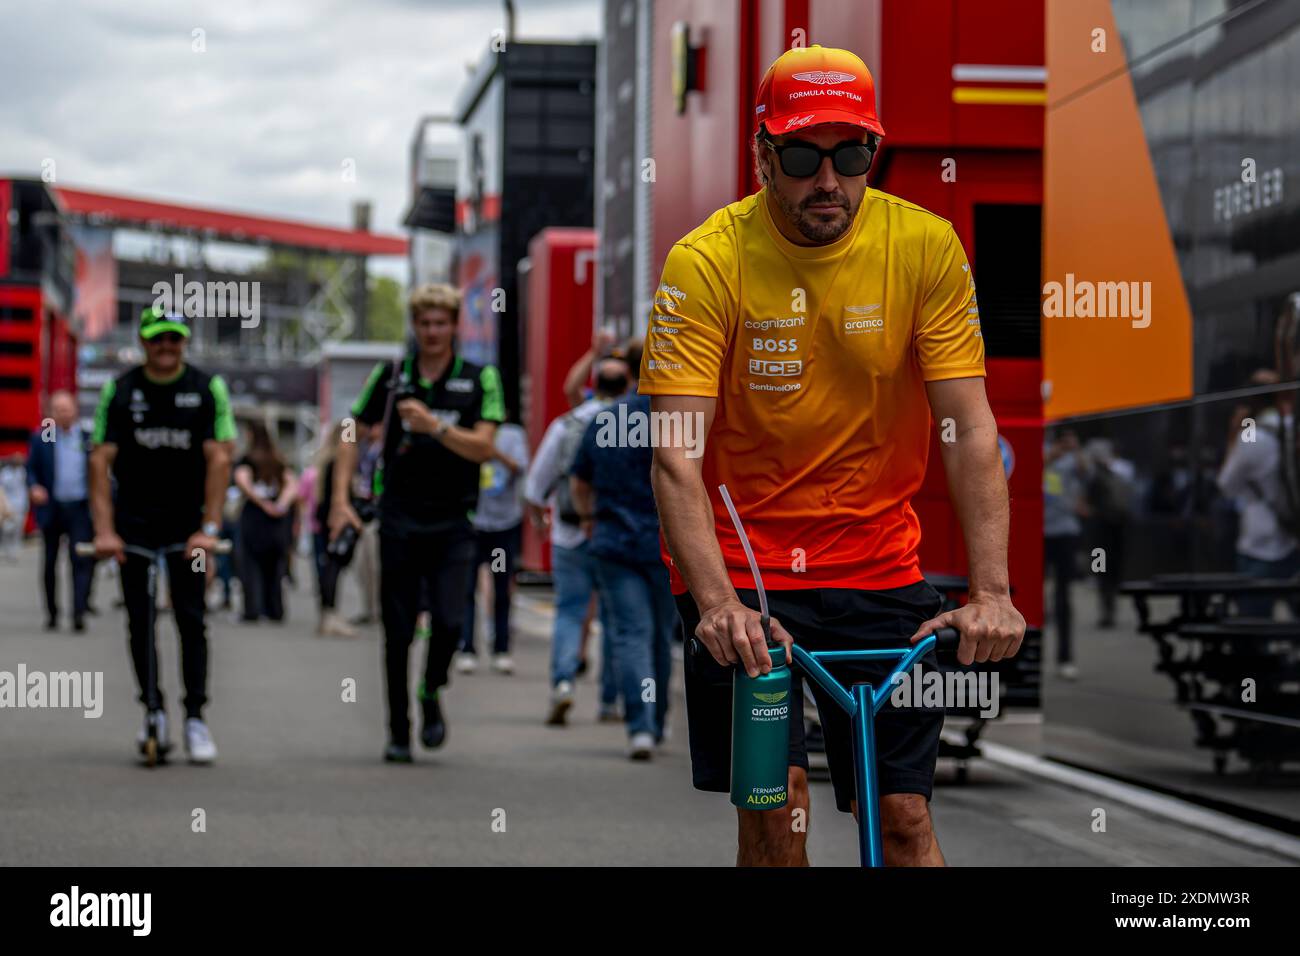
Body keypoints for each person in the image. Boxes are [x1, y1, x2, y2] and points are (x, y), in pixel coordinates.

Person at [640, 45, 1025, 866]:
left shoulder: (925, 247)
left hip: (881, 571)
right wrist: (716, 606)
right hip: (746, 582)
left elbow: (971, 428)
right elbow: (674, 458)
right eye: (804, 155)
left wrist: (992, 590)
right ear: (761, 155)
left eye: (852, 155)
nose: (829, 181)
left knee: (904, 820)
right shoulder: (706, 262)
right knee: (781, 818)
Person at [329, 283, 504, 763]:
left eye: (440, 322)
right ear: (415, 326)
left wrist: (436, 427)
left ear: (454, 326)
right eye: (424, 323)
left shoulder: (479, 378)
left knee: (449, 622)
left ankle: (431, 691)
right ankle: (398, 729)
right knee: (398, 630)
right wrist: (339, 498)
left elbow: (485, 447)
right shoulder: (391, 377)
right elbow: (350, 431)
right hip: (398, 519)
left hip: (453, 521)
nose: (432, 331)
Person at [89, 307, 236, 763]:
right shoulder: (121, 389)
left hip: (188, 529)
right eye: (158, 340)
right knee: (140, 619)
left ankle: (195, 717)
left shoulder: (206, 388)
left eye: (174, 340)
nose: (166, 348)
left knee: (191, 619)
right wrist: (105, 531)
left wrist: (209, 530)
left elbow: (220, 458)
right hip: (134, 527)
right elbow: (100, 460)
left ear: (184, 342)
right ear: (144, 341)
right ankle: (152, 711)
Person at [572, 340, 675, 759]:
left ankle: (641, 726)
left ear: (630, 372)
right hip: (669, 548)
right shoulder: (677, 421)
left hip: (614, 542)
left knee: (631, 634)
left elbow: (580, 481)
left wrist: (588, 518)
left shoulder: (604, 420)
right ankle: (659, 717)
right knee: (661, 637)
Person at [524, 354, 630, 725]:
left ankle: (563, 685)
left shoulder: (567, 423)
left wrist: (540, 521)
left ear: (594, 384)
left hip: (569, 533)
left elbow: (535, 485)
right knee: (617, 618)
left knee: (570, 612)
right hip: (615, 533)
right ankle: (611, 700)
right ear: (628, 384)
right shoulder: (633, 423)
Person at [1218, 376, 1300, 617]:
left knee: (1253, 619)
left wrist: (1234, 435)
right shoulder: (1292, 428)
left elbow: (1226, 485)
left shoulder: (1253, 435)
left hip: (1261, 542)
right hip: (1295, 537)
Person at [457, 414, 530, 674]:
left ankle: (501, 648)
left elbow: (520, 467)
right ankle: (466, 648)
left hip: (502, 524)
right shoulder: (464, 429)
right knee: (466, 588)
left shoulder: (512, 435)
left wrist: (491, 451)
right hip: (472, 522)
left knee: (501, 587)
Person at [26, 391, 94, 632]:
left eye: (67, 409)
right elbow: (31, 468)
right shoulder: (43, 438)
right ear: (51, 414)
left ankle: (78, 612)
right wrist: (34, 486)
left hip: (79, 509)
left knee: (81, 561)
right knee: (50, 563)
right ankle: (52, 613)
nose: (63, 414)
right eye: (58, 410)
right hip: (52, 508)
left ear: (74, 410)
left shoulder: (88, 439)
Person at [233, 421, 298, 623]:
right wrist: (280, 505)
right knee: (275, 567)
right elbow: (292, 484)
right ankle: (274, 609)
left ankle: (252, 609)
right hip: (276, 522)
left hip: (254, 519)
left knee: (250, 565)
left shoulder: (248, 459)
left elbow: (242, 481)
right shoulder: (278, 460)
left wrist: (261, 503)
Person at [1044, 430, 1087, 678]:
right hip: (1040, 531)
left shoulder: (1073, 459)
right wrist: (1051, 456)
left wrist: (1076, 449)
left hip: (1066, 531)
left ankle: (1065, 656)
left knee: (1064, 596)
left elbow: (1085, 473)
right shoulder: (1044, 451)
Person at [308, 422, 357, 637]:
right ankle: (330, 615)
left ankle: (328, 614)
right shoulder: (339, 463)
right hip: (334, 521)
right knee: (333, 569)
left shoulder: (325, 461)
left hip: (323, 521)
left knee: (328, 568)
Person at [0, 452, 30, 562]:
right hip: (8, 505)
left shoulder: (23, 472)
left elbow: (26, 489)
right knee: (7, 528)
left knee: (18, 529)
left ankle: (15, 550)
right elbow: (1, 490)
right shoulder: (5, 473)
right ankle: (7, 548)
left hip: (21, 505)